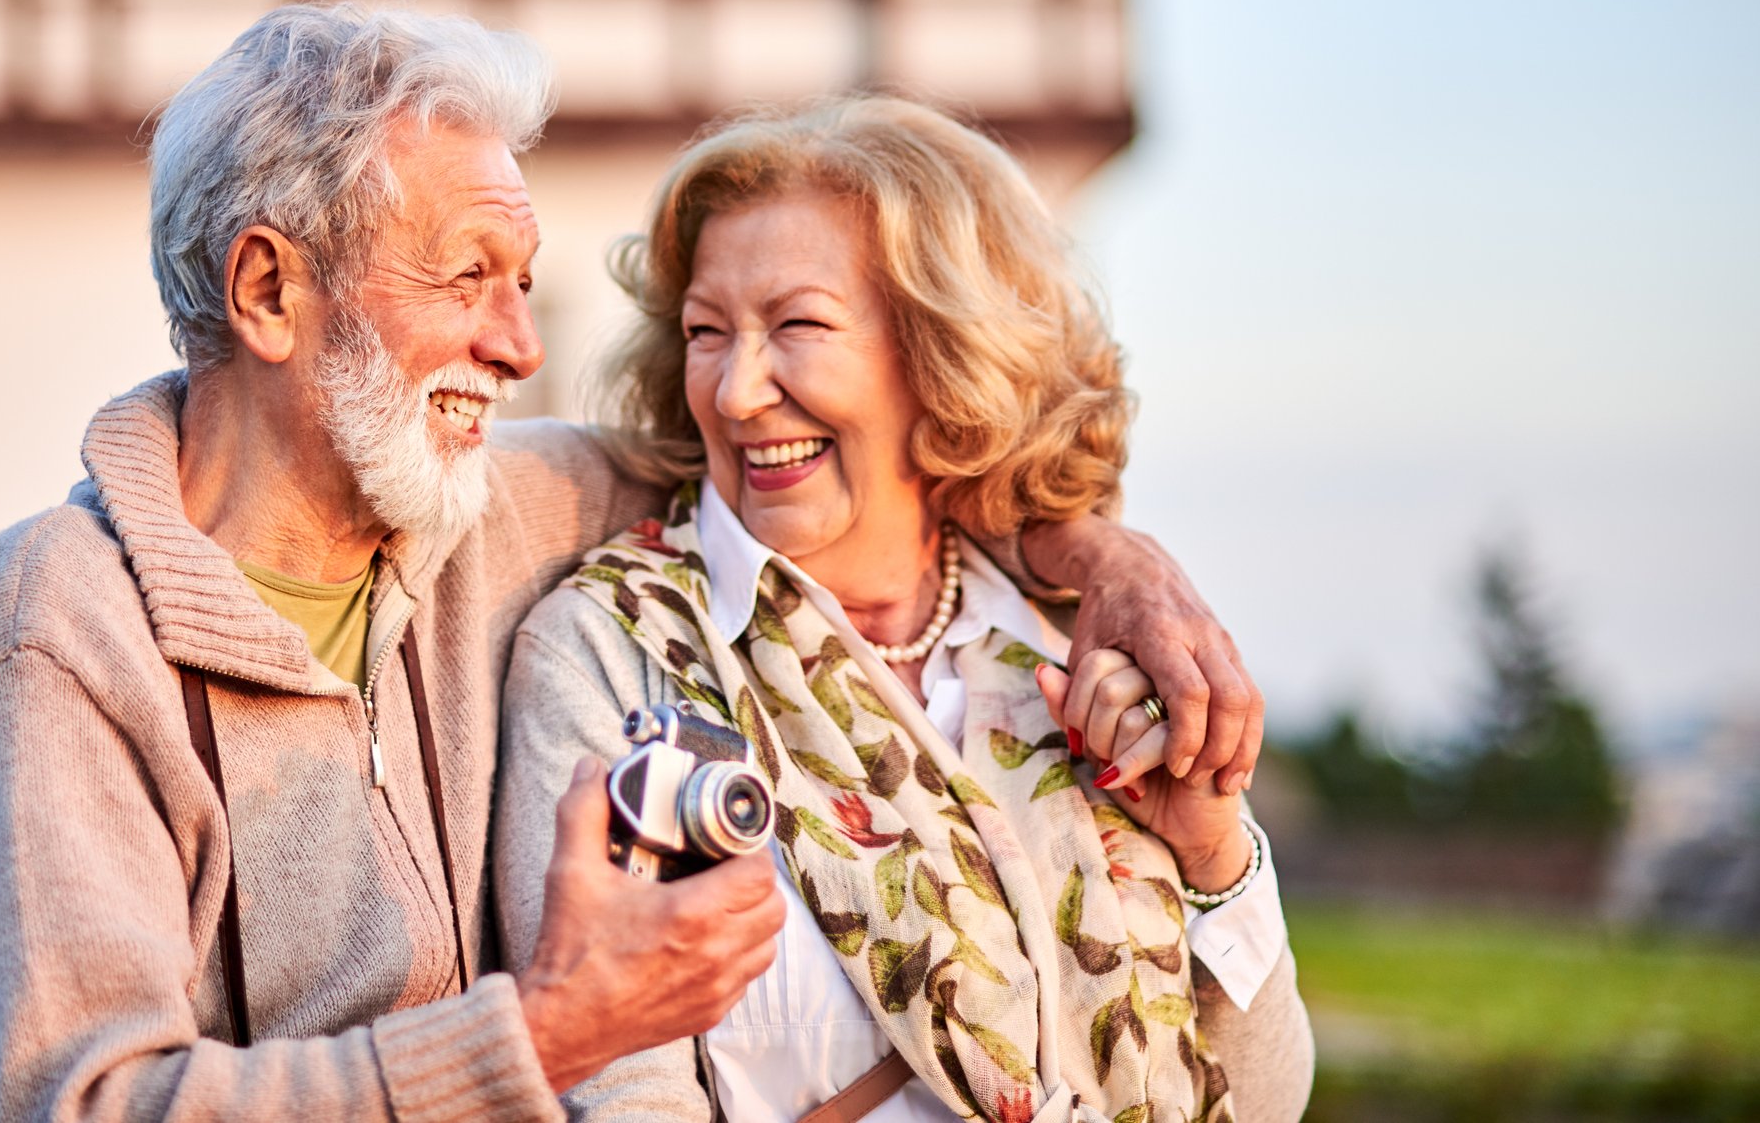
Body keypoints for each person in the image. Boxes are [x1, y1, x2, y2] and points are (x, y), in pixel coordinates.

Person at [0, 4, 1266, 1121]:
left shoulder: (484, 500)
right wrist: (547, 1033)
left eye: (521, 287)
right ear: (269, 291)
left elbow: (847, 458)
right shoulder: (52, 631)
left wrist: (1103, 554)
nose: (520, 347)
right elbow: (91, 1103)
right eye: (465, 277)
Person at [496, 97, 1313, 1123]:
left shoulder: (1072, 634)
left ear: (939, 355)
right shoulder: (618, 655)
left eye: (797, 324)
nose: (738, 390)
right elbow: (615, 1089)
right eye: (708, 332)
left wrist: (1211, 856)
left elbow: (1264, 1100)